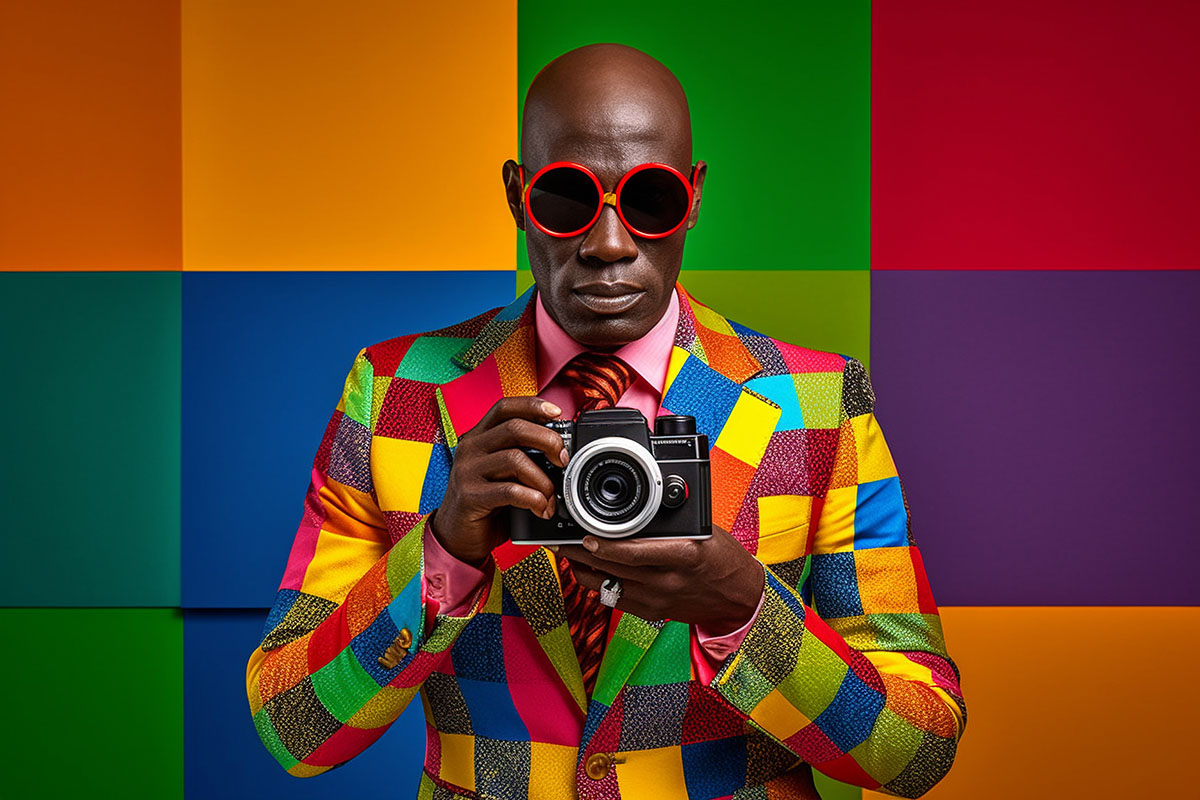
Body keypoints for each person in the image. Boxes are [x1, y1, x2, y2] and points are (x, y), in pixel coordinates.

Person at [246, 43, 965, 799]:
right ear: (518, 197)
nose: (608, 245)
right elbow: (294, 730)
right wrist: (445, 549)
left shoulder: (817, 405)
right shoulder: (394, 393)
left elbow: (917, 750)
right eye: (568, 198)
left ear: (692, 197)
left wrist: (745, 610)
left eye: (650, 200)